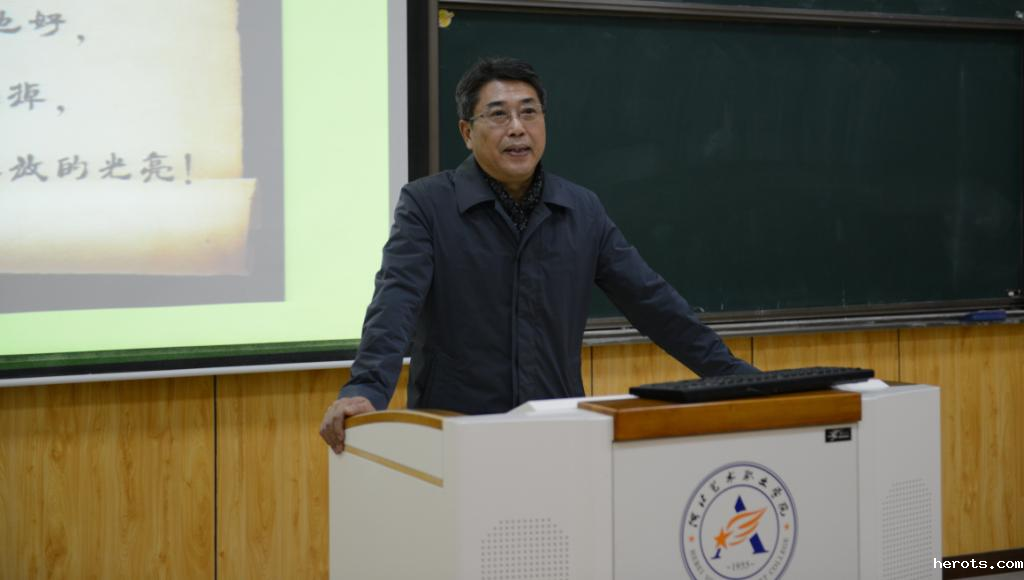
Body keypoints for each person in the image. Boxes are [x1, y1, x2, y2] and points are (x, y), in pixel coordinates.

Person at [320, 57, 757, 453]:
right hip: (456, 435)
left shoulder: (580, 209)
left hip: (557, 432)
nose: (517, 127)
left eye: (529, 112)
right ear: (467, 133)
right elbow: (395, 304)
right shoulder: (428, 206)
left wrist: (734, 376)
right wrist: (365, 389)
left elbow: (652, 302)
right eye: (498, 114)